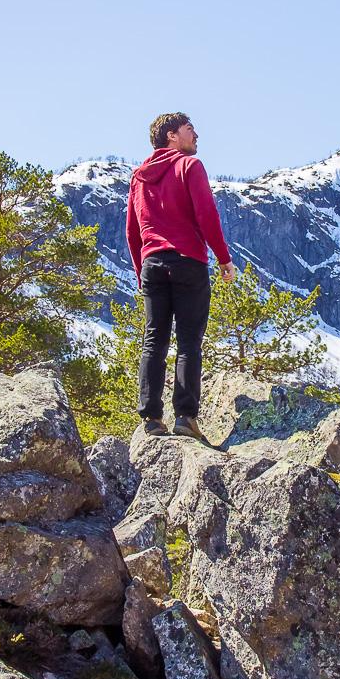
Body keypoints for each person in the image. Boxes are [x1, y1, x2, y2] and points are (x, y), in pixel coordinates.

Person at [125, 112, 238, 441]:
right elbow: (206, 214)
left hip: (152, 265)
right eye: (190, 129)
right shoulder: (190, 166)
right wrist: (223, 258)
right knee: (188, 342)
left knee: (153, 342)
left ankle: (151, 419)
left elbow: (133, 232)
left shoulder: (139, 178)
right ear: (172, 135)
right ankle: (185, 418)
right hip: (187, 262)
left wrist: (140, 272)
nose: (197, 135)